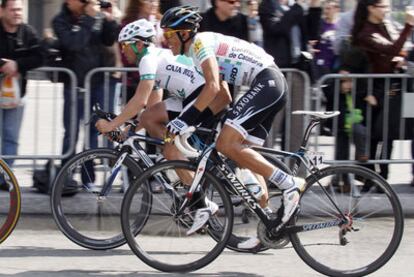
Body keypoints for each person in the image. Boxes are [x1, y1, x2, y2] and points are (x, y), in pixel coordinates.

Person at [160, 5, 305, 248]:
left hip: (267, 82)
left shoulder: (199, 44)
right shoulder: (200, 50)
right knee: (244, 154)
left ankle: (289, 184)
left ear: (184, 33)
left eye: (168, 35)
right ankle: (269, 224)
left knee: (226, 144)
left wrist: (184, 120)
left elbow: (213, 87)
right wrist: (197, 120)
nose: (166, 42)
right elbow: (223, 94)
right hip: (270, 84)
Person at [95, 18, 231, 163]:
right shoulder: (157, 57)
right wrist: (128, 131)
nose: (123, 51)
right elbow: (152, 108)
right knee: (156, 128)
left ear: (139, 44)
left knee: (171, 152)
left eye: (125, 45)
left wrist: (112, 125)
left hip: (207, 95)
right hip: (199, 95)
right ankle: (182, 159)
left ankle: (187, 170)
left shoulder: (147, 60)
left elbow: (139, 101)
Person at [48, 0, 118, 192]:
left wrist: (110, 20)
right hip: (74, 84)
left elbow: (108, 40)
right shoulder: (60, 20)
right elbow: (73, 44)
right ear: (69, 2)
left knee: (92, 134)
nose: (87, 3)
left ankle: (88, 179)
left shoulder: (95, 17)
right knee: (70, 133)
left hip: (96, 83)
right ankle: (65, 179)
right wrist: (88, 18)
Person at [351, 0, 414, 188]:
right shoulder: (366, 32)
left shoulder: (385, 25)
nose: (387, 10)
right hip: (374, 91)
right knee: (374, 136)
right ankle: (369, 177)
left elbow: (397, 52)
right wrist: (408, 26)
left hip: (395, 88)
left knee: (389, 135)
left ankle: (382, 178)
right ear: (371, 8)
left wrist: (398, 60)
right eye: (383, 7)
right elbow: (391, 49)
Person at [0, 0, 43, 172]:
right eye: (13, 9)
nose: (17, 13)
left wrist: (18, 65)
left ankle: (5, 177)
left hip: (17, 95)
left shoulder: (28, 32)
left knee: (11, 136)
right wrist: (3, 64)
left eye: (20, 9)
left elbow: (40, 56)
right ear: (2, 10)